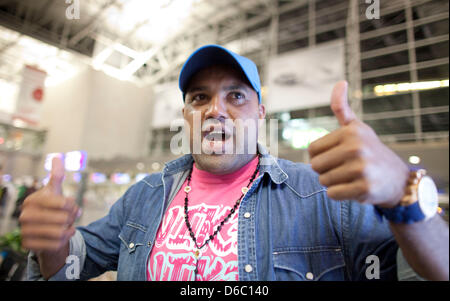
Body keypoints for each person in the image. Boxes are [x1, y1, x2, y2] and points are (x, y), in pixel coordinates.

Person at [20, 45, 448, 281]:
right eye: (199, 98)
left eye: (236, 96)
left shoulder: (322, 196)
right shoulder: (144, 197)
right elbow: (69, 269)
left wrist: (404, 191)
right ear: (186, 115)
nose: (215, 110)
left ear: (260, 113)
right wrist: (53, 243)